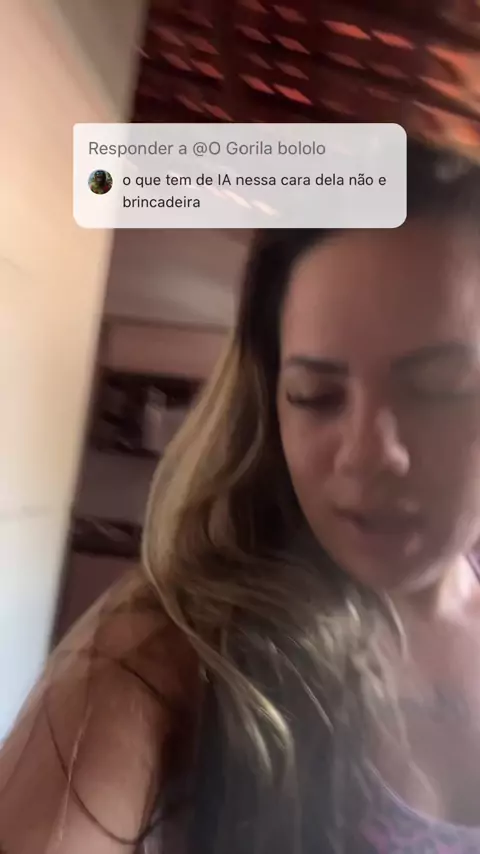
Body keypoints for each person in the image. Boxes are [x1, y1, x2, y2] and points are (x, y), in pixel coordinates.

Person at [2, 140, 480, 854]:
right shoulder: (185, 642)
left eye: (439, 387)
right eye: (315, 395)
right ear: (271, 405)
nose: (368, 452)